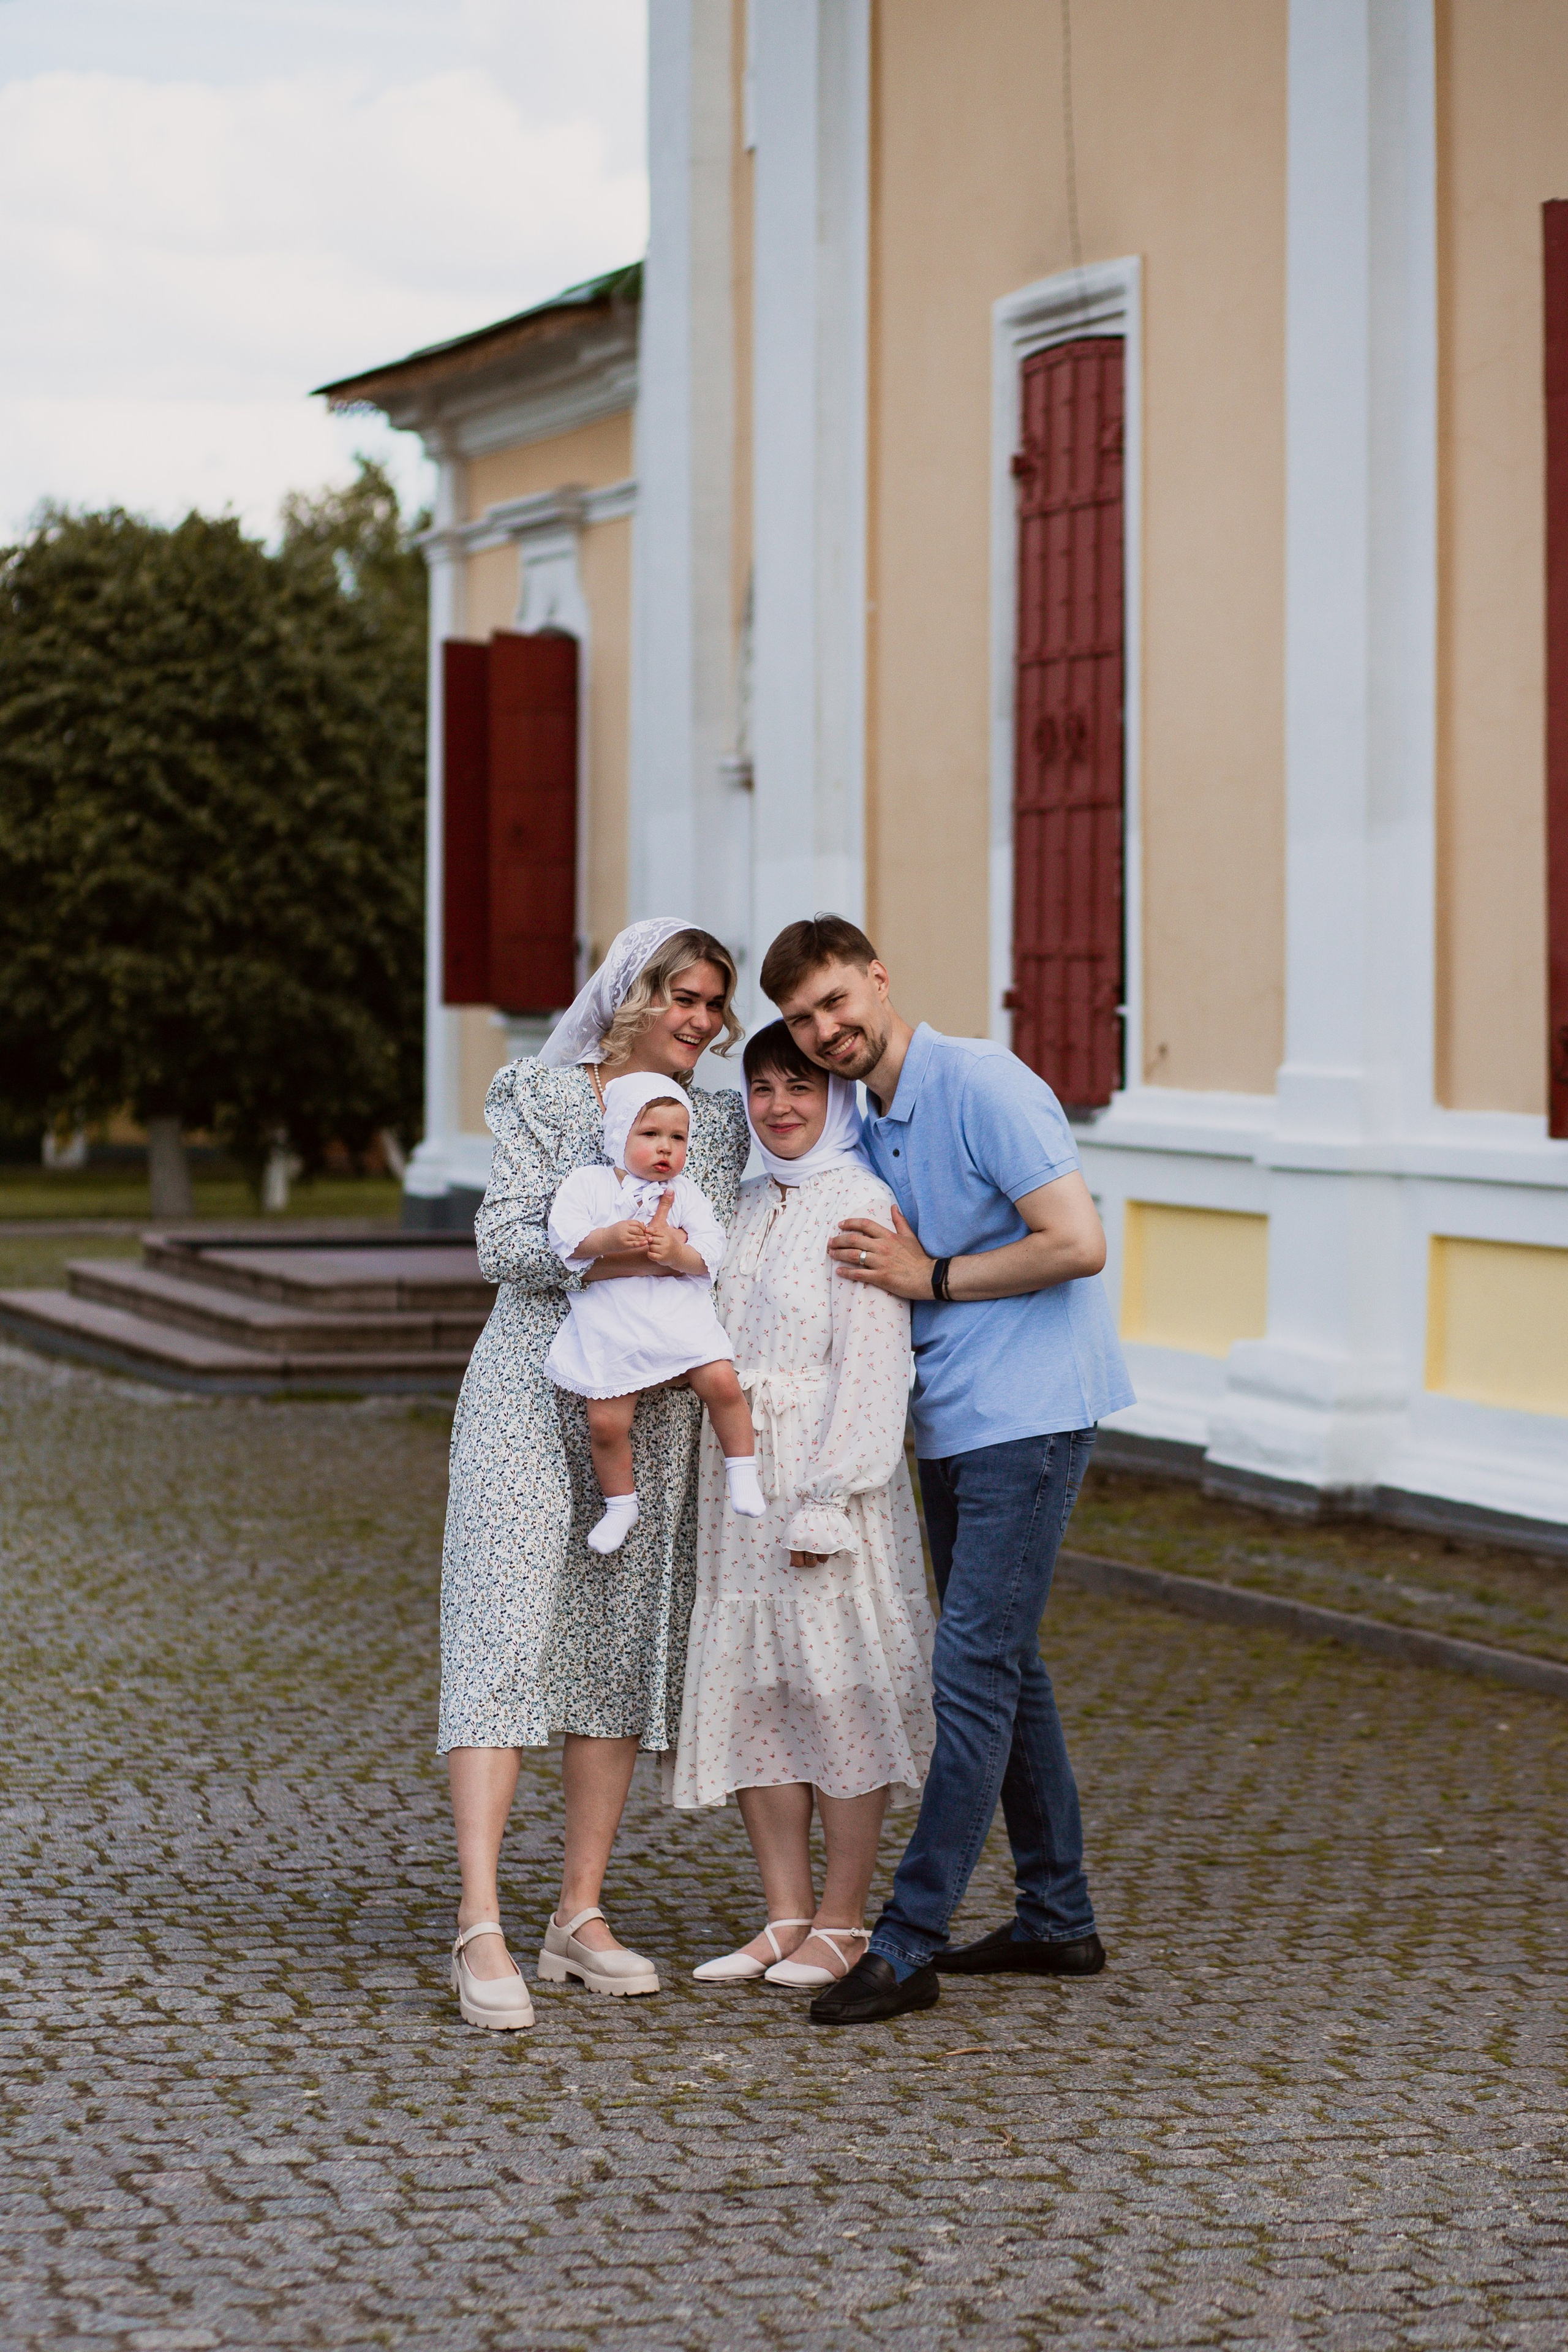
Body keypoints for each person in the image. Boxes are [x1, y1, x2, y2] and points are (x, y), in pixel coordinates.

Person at [760, 914, 1134, 2026]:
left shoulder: (981, 1083)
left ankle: (908, 1939)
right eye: (801, 1021)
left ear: (879, 979)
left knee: (968, 1670)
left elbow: (1076, 1241)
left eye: (836, 1001)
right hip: (953, 1422)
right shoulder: (868, 1119)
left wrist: (931, 1276)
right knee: (1009, 1665)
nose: (825, 1031)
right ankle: (1058, 1919)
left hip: (1032, 1415)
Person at [440, 921, 750, 2030]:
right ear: (632, 994)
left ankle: (578, 1912)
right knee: (499, 1627)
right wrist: (616, 1246)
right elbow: (502, 1245)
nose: (701, 1021)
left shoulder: (721, 1124)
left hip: (652, 1408)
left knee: (614, 1648)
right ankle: (480, 1920)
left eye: (714, 1004)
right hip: (530, 1391)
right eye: (684, 996)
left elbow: (720, 1251)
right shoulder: (542, 1095)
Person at [672, 1020, 935, 1992]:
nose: (780, 1107)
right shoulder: (740, 1204)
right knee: (759, 1691)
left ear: (837, 1097)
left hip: (827, 1479)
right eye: (763, 1088)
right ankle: (784, 1913)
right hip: (739, 1481)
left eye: (801, 1087)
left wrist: (830, 1495)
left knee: (837, 1689)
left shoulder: (861, 1203)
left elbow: (876, 1366)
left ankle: (843, 1920)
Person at [545, 1072, 765, 1553]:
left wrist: (677, 1252)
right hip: (613, 1322)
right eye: (650, 1134)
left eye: (678, 1138)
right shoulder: (589, 1184)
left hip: (677, 1316)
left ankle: (743, 1469)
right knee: (606, 1424)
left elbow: (712, 1248)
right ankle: (621, 1504)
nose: (666, 1147)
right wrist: (606, 1239)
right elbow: (564, 1237)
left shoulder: (685, 1193)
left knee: (723, 1383)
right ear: (619, 1135)